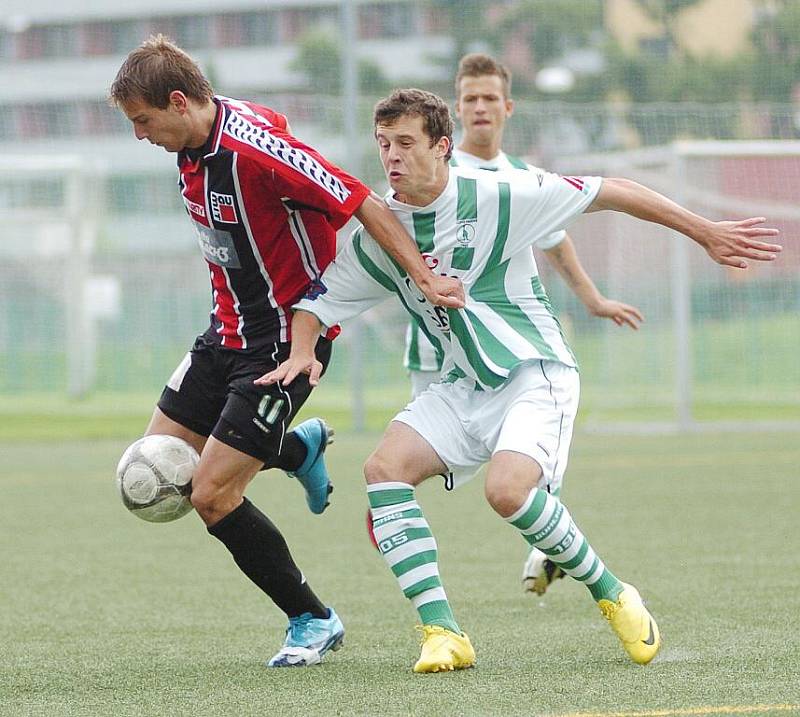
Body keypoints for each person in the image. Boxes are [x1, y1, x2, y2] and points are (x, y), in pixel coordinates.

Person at [258, 88, 780, 672]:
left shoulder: (502, 195)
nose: (391, 157)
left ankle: (613, 593)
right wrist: (302, 347)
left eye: (406, 143)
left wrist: (704, 231)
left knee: (506, 491)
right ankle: (443, 633)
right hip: (462, 387)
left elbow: (616, 191)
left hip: (536, 373)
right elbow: (320, 302)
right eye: (383, 144)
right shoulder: (381, 233)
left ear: (443, 146)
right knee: (382, 471)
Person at [108, 37, 463, 669]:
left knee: (212, 494)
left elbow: (359, 201)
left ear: (181, 102)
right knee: (161, 462)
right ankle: (298, 447)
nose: (139, 135)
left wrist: (425, 278)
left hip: (284, 344)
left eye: (143, 120)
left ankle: (312, 619)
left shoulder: (258, 152)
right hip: (223, 334)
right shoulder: (193, 143)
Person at [401, 53, 644, 597]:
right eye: (470, 98)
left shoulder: (523, 180)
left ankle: (549, 543)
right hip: (437, 349)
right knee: (415, 469)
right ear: (457, 109)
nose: (480, 107)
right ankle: (400, 529)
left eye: (490, 98)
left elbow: (557, 238)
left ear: (508, 107)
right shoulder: (433, 170)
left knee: (524, 452)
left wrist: (593, 298)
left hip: (508, 347)